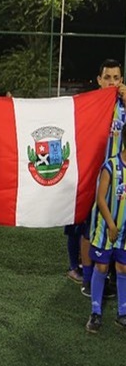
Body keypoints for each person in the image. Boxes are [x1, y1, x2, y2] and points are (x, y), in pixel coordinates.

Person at [69, 59, 126, 297]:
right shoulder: (90, 105)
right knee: (86, 225)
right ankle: (87, 278)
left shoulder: (123, 107)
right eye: (108, 78)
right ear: (99, 80)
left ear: (121, 81)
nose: (112, 82)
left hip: (118, 177)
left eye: (116, 78)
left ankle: (110, 275)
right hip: (90, 173)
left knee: (115, 224)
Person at [85, 126, 126, 333]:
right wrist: (110, 224)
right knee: (101, 268)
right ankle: (95, 312)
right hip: (106, 227)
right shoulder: (111, 166)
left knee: (122, 268)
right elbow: (101, 198)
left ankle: (123, 313)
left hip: (125, 231)